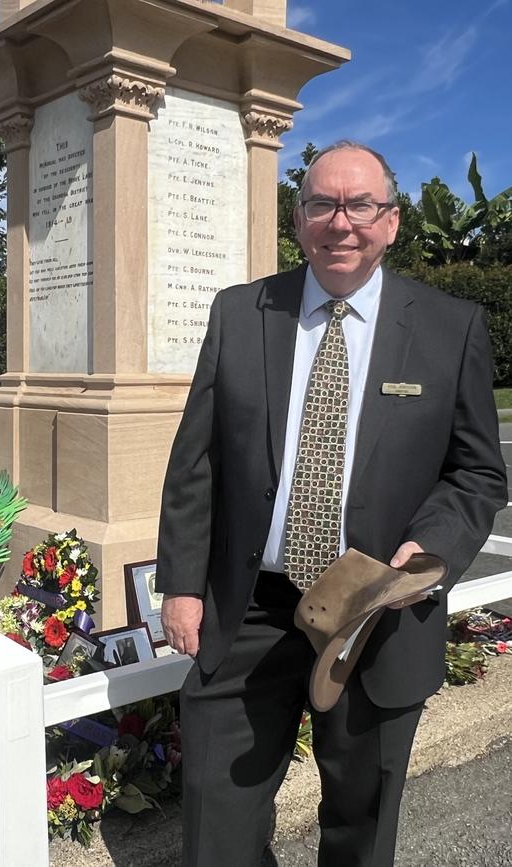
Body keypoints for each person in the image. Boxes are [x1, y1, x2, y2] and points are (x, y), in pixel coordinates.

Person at [155, 141, 507, 867]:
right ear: (299, 216)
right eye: (322, 204)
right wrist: (184, 583)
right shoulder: (240, 312)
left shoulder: (451, 327)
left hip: (375, 613)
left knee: (360, 820)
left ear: (392, 222)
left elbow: (476, 471)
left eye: (361, 206)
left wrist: (429, 549)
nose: (340, 222)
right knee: (216, 820)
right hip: (250, 606)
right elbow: (198, 461)